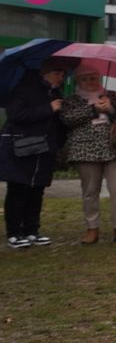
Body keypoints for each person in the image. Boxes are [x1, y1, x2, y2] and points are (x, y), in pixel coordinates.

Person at [60, 65, 116, 245]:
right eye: (85, 78)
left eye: (93, 77)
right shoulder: (71, 100)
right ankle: (92, 229)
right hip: (85, 150)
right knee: (90, 191)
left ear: (99, 77)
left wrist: (111, 109)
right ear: (78, 81)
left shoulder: (113, 95)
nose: (90, 81)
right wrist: (93, 110)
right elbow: (67, 119)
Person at [2, 61, 68, 248]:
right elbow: (16, 114)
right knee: (18, 189)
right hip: (22, 146)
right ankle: (14, 232)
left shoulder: (56, 93)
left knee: (37, 190)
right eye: (57, 73)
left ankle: (32, 230)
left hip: (45, 148)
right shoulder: (24, 89)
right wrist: (49, 108)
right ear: (44, 74)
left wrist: (58, 141)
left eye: (63, 74)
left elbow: (58, 123)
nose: (61, 78)